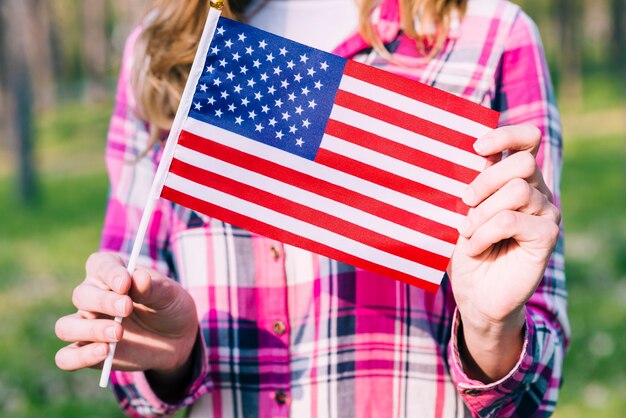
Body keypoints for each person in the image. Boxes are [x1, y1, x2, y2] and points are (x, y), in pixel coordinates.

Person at [54, 0, 569, 416]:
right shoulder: (161, 49)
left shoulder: (493, 33)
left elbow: (533, 391)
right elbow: (134, 322)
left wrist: (489, 329)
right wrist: (165, 353)